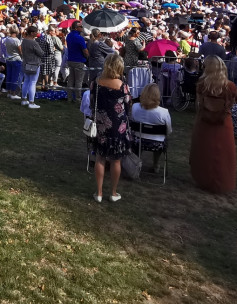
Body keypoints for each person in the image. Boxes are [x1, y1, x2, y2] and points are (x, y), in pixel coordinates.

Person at [190, 56, 237, 194]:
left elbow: (198, 103)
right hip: (223, 122)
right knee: (223, 153)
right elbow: (231, 104)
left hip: (204, 120)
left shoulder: (202, 84)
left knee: (203, 150)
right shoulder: (230, 86)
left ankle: (203, 179)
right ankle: (223, 181)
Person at [90, 52, 132, 203]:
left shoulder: (96, 82)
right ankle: (113, 192)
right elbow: (128, 106)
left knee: (100, 158)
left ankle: (99, 192)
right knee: (116, 160)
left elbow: (91, 102)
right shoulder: (123, 86)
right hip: (118, 126)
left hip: (101, 124)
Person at [130, 82, 172, 174]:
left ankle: (136, 162)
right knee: (162, 141)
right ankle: (156, 164)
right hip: (157, 143)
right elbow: (168, 131)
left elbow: (132, 123)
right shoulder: (164, 112)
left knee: (138, 138)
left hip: (138, 140)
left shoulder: (135, 107)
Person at [20, 25, 45, 108]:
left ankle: (24, 99)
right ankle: (31, 102)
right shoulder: (33, 42)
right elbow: (41, 53)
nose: (37, 33)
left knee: (26, 81)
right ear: (31, 33)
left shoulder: (24, 41)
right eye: (35, 32)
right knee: (32, 82)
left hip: (26, 63)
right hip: (34, 64)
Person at [66, 21, 89, 102]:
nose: (82, 28)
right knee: (79, 81)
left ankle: (69, 97)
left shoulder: (68, 36)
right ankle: (78, 98)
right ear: (76, 28)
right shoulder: (79, 38)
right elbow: (85, 51)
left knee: (71, 79)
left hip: (70, 59)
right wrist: (88, 57)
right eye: (81, 26)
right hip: (79, 61)